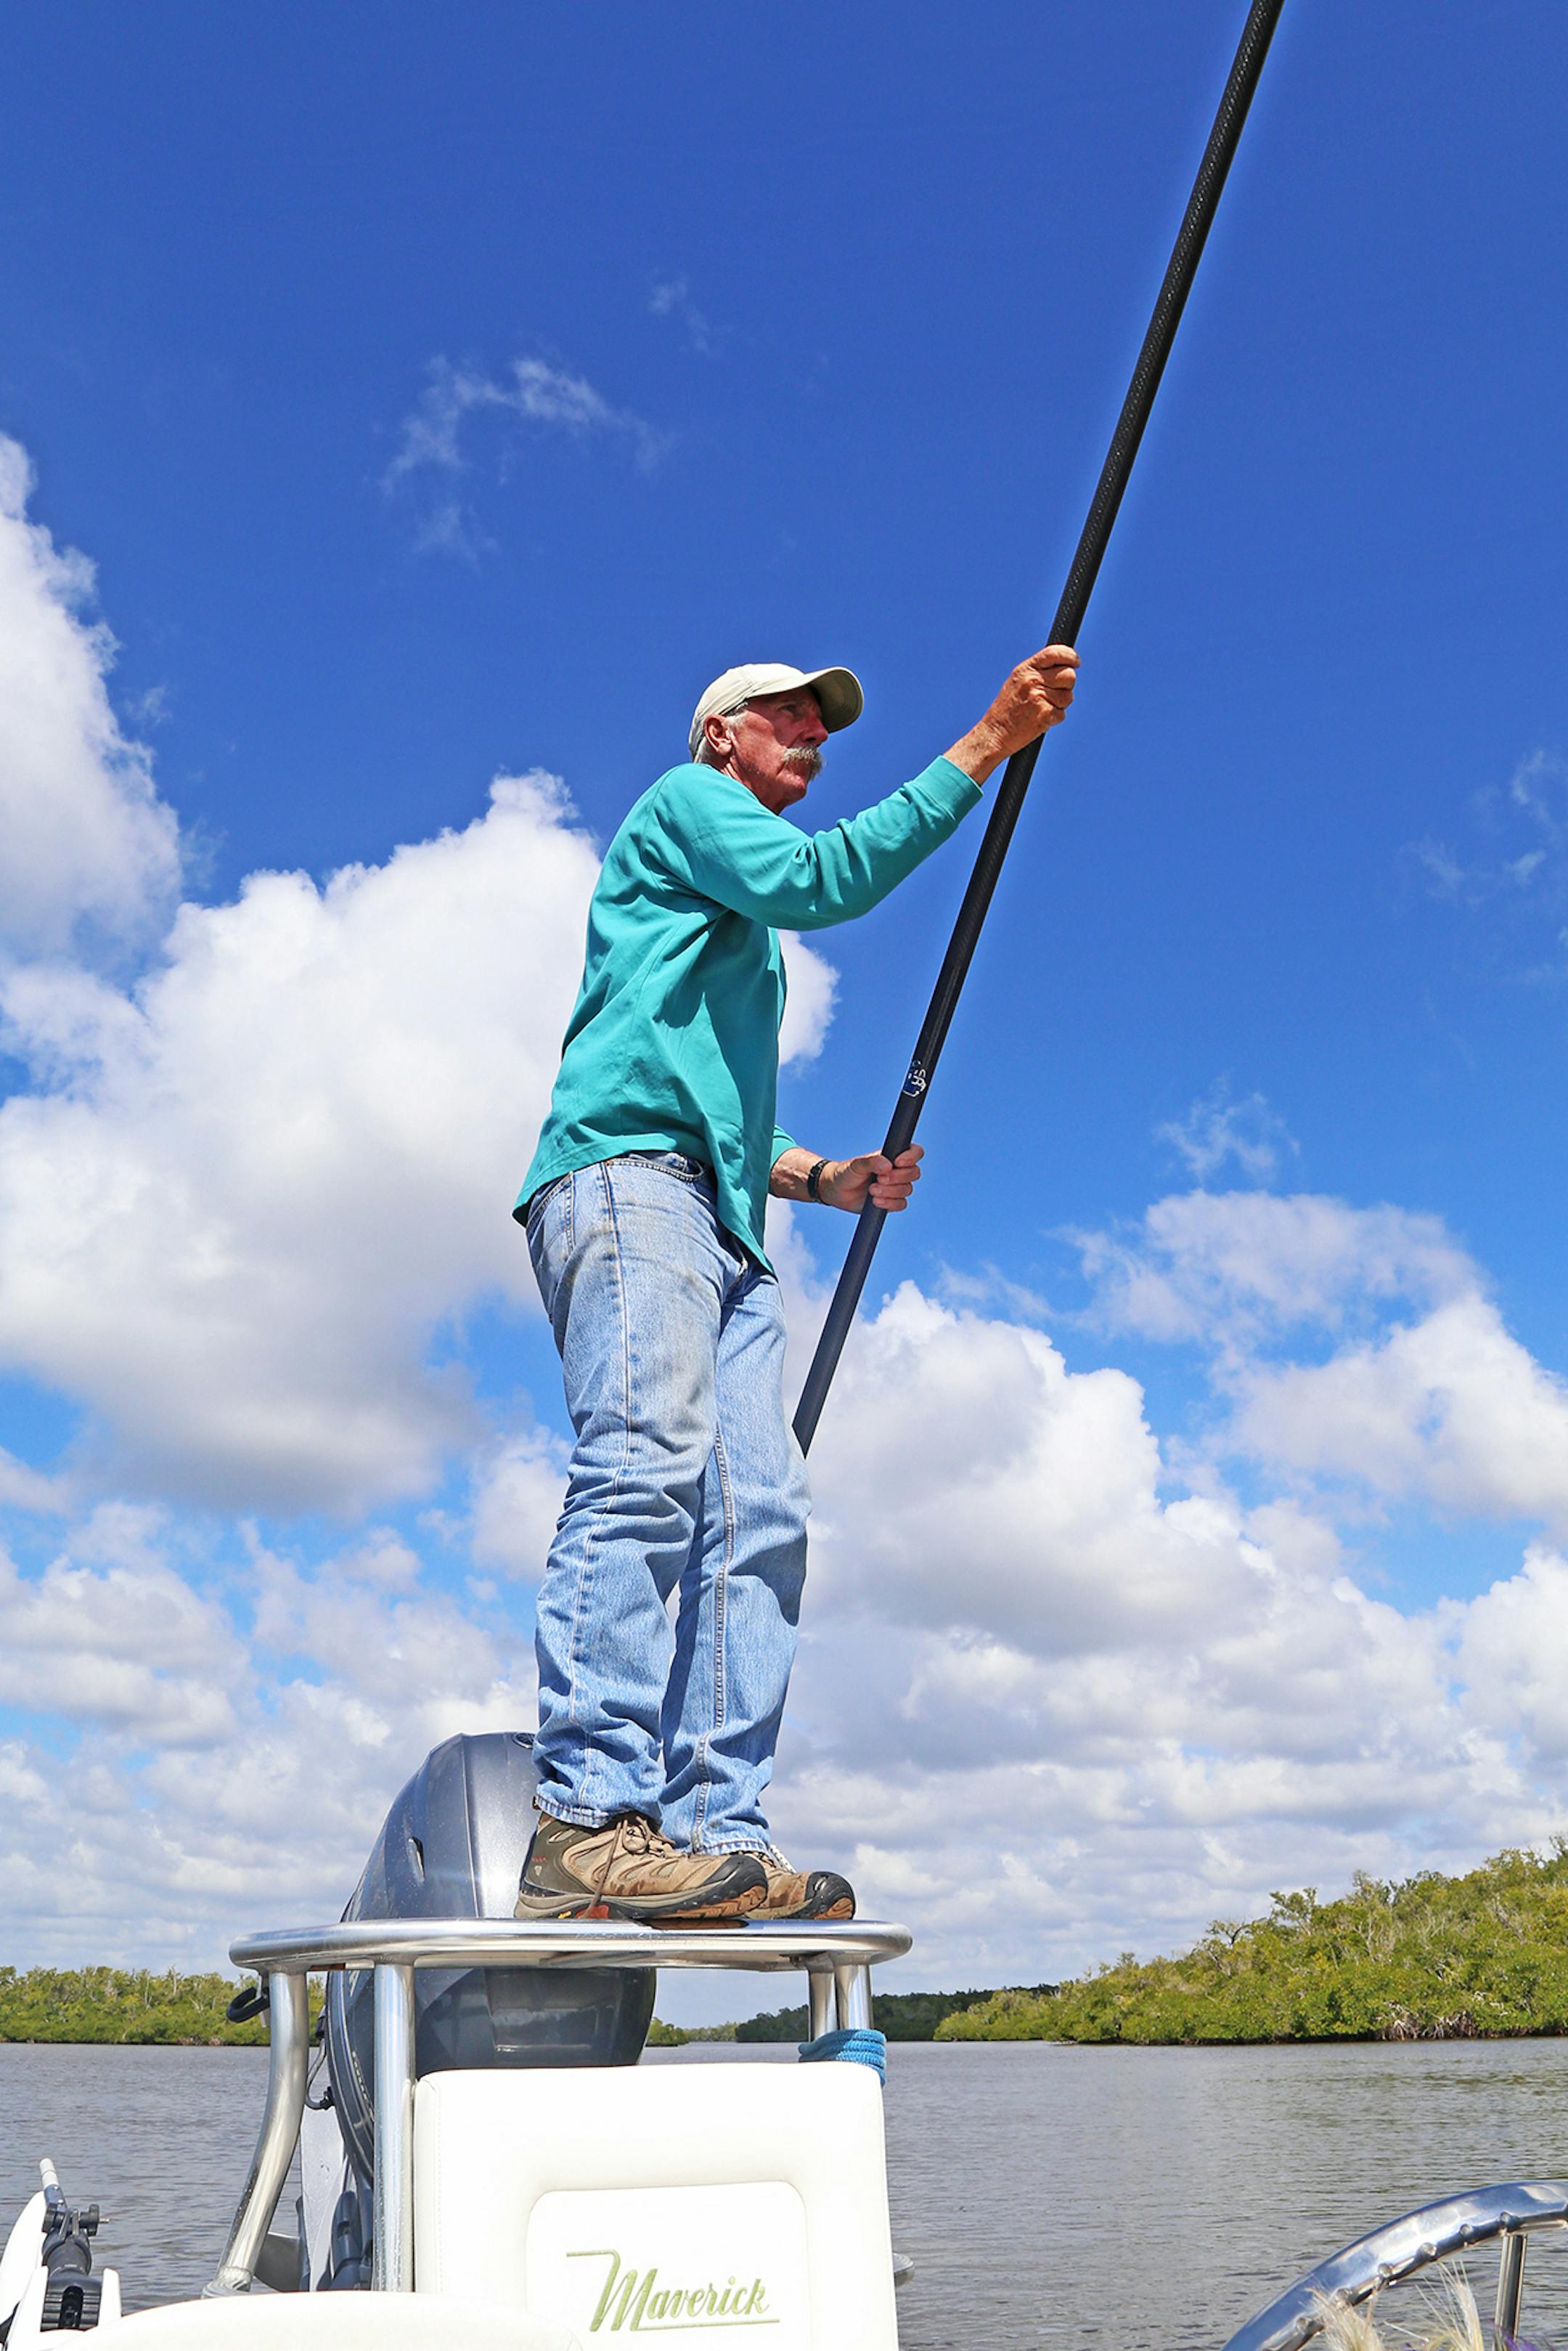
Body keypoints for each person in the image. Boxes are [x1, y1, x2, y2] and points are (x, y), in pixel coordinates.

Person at [513, 645, 1079, 1924]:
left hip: (721, 1219)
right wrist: (990, 738)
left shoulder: (741, 934)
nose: (814, 737)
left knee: (761, 1509)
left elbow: (727, 1118)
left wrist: (828, 1178)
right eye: (790, 717)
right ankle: (591, 1819)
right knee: (649, 1461)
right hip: (628, 1184)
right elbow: (826, 881)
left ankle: (718, 1832)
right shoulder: (688, 803)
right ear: (718, 734)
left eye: (825, 727)